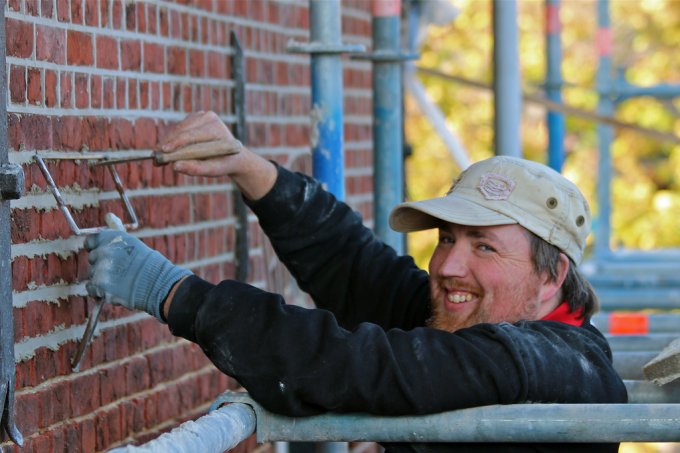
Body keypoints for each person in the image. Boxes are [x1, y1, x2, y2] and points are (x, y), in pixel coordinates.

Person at [86, 111, 627, 452]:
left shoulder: (546, 365)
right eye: (446, 238)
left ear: (553, 275)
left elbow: (352, 363)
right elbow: (359, 270)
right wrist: (251, 169)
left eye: (483, 245)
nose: (448, 265)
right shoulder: (489, 319)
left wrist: (172, 292)